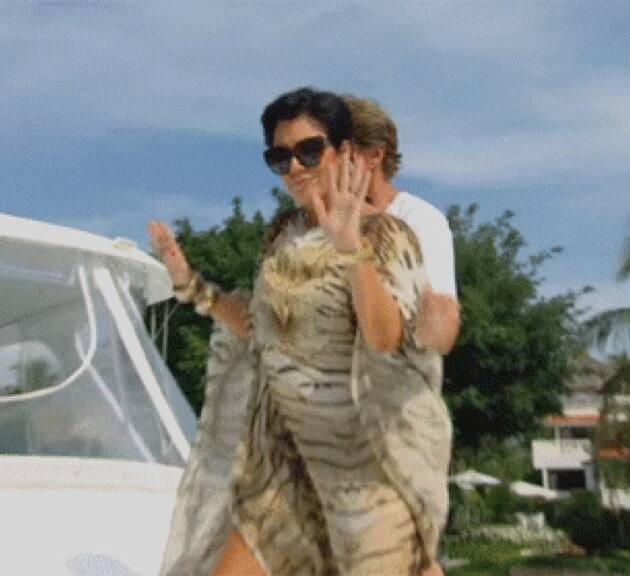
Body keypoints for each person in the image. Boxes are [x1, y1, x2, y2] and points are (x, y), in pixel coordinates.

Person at [149, 88, 451, 576]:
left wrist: (351, 251)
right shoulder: (282, 235)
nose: (295, 167)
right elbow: (259, 330)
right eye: (280, 157)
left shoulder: (386, 232)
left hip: (364, 470)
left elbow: (386, 340)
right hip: (284, 465)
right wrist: (190, 286)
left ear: (344, 152)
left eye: (310, 150)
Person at [344, 96, 460, 355]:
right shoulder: (312, 225)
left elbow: (440, 333)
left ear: (374, 156)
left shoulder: (420, 219)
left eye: (339, 152)